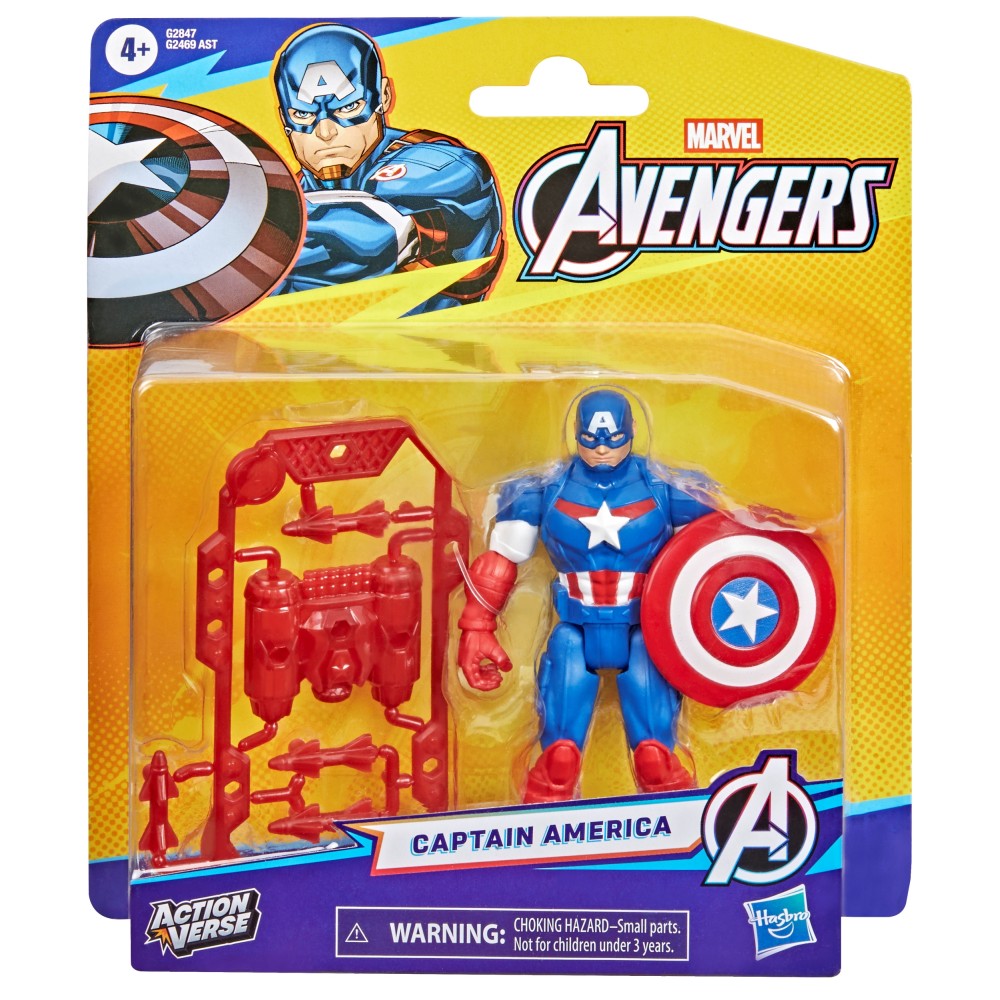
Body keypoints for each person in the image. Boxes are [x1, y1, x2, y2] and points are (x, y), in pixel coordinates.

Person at [457, 389, 715, 802]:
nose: (602, 450)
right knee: (558, 757)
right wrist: (477, 626)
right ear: (576, 434)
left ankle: (672, 804)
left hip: (646, 630)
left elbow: (716, 554)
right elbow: (501, 558)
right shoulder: (544, 487)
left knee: (655, 757)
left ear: (632, 431)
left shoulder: (667, 487)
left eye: (613, 439)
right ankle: (547, 806)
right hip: (573, 627)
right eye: (591, 440)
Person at [272, 23, 504, 311]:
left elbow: (363, 241)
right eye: (303, 114)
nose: (326, 132)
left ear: (382, 96)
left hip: (431, 338)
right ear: (284, 117)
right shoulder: (290, 192)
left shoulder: (447, 167)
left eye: (347, 108)